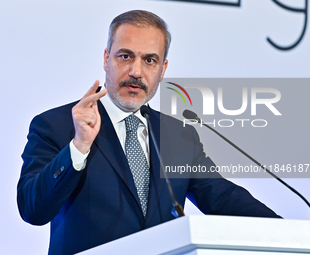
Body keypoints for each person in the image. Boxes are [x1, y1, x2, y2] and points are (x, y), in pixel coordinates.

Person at [17, 10, 280, 255]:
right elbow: (33, 210)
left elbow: (223, 198)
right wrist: (78, 147)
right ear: (106, 58)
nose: (136, 71)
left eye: (149, 60)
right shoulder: (57, 124)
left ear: (163, 69)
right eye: (125, 56)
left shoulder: (179, 136)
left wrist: (290, 232)